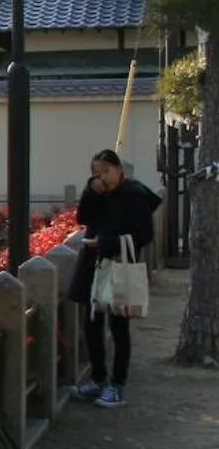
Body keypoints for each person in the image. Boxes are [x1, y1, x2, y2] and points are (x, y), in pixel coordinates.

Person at [70, 147, 161, 407]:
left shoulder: (134, 195)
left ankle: (117, 385)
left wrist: (105, 241)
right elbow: (83, 217)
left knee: (119, 327)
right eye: (97, 174)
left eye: (107, 171)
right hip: (93, 264)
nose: (103, 178)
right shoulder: (98, 194)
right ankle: (97, 378)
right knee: (92, 323)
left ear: (120, 169)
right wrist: (90, 191)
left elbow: (144, 234)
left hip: (119, 263)